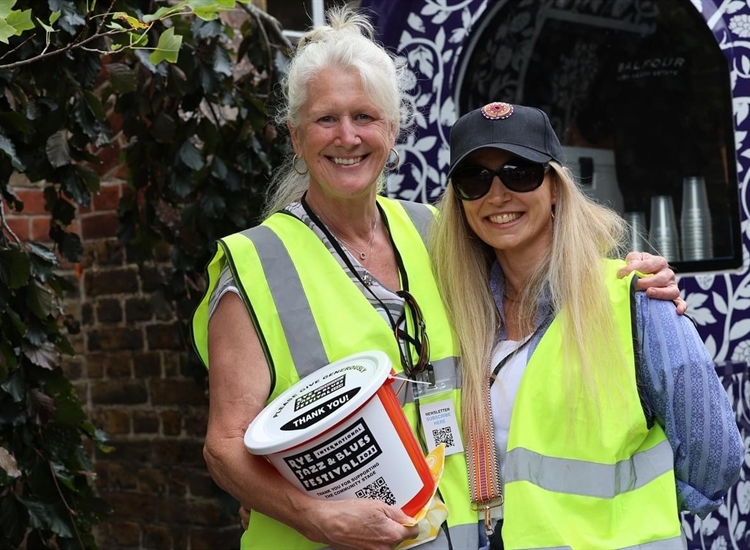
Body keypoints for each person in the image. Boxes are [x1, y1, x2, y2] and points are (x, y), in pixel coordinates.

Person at [191, 8, 684, 550]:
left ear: (393, 128)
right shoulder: (257, 264)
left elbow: (534, 287)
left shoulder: (432, 231)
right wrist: (315, 518)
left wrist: (625, 281)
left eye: (365, 117)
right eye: (326, 119)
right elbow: (225, 446)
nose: (348, 137)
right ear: (295, 135)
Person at [430, 101, 744, 550]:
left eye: (520, 172)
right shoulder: (458, 313)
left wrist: (627, 514)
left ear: (556, 187)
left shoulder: (635, 302)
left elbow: (715, 461)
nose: (497, 195)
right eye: (474, 179)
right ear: (459, 202)